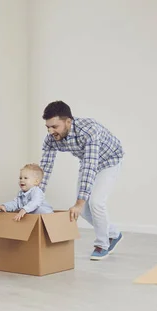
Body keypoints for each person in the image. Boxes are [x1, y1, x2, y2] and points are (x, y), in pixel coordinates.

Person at [39, 101, 124, 261]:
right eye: (48, 127)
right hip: (88, 161)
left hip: (110, 161)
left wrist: (79, 202)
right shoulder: (51, 138)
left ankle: (102, 245)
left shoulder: (89, 130)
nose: (50, 131)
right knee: (84, 211)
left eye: (55, 127)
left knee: (96, 203)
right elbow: (45, 168)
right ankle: (114, 234)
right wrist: (35, 194)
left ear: (68, 122)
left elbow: (89, 167)